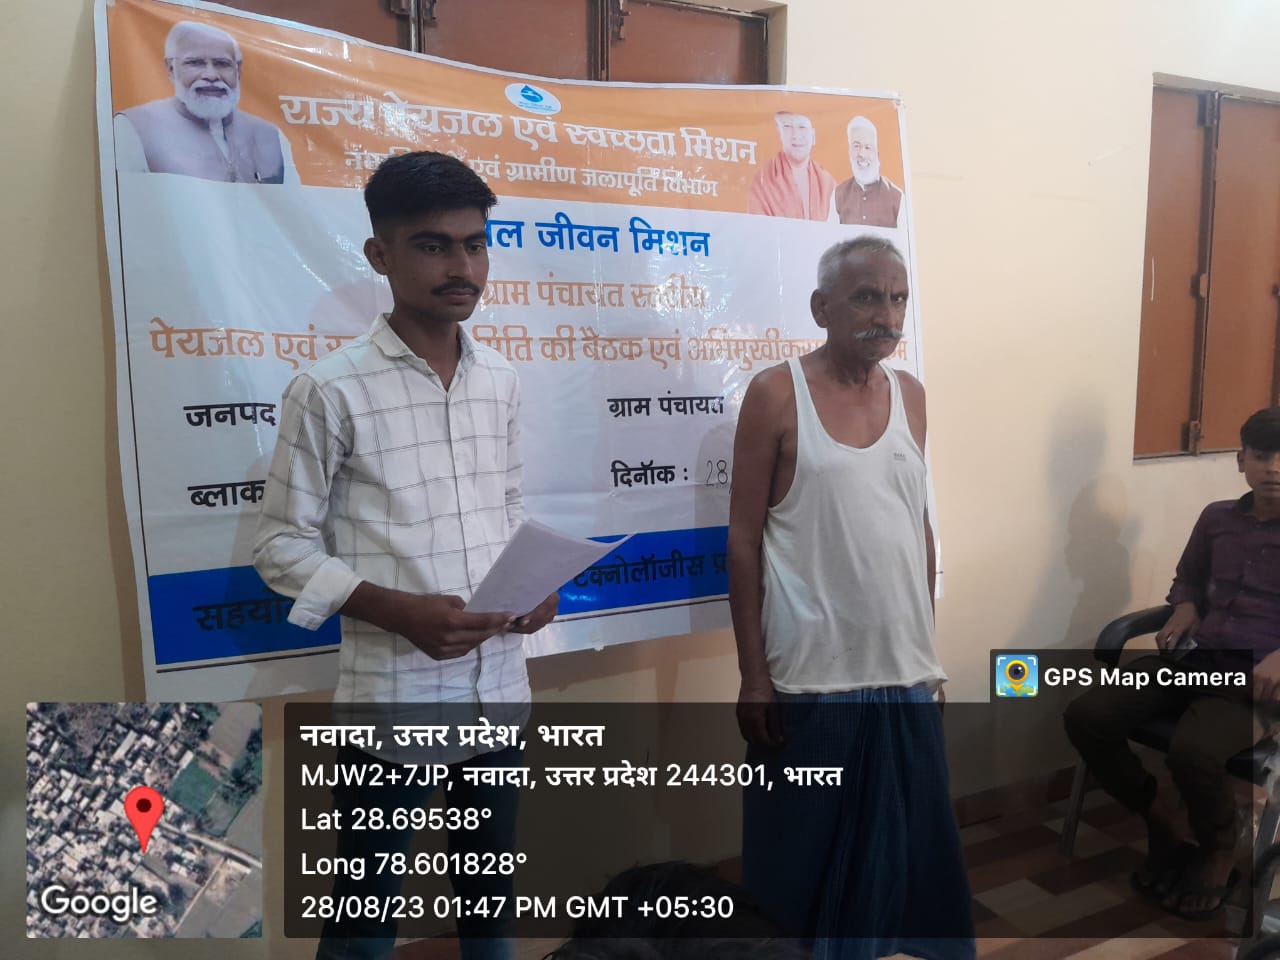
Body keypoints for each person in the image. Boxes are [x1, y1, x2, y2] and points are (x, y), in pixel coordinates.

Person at [254, 151, 558, 960]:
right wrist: (395, 611)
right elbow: (278, 544)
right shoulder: (330, 388)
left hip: (498, 692)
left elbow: (507, 504)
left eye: (475, 244)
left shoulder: (500, 379)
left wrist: (538, 586)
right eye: (433, 246)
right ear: (380, 255)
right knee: (365, 921)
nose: (462, 267)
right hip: (394, 699)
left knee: (490, 906)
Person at [727, 236, 973, 959]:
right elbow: (742, 541)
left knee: (907, 855)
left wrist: (926, 656)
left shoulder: (911, 395)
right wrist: (753, 674)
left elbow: (917, 527)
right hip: (811, 675)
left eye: (898, 299)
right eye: (867, 297)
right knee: (796, 856)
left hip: (903, 672)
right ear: (821, 307)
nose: (887, 316)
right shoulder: (776, 394)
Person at [1064, 407, 1280, 921]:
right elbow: (1188, 579)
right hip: (1196, 658)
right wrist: (1184, 606)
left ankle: (1219, 848)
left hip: (1257, 680)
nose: (1274, 467)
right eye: (1262, 455)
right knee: (1086, 716)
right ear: (1241, 460)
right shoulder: (1216, 518)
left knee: (1192, 751)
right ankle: (1161, 817)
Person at [114, 21, 298, 184]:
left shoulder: (271, 136)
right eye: (195, 63)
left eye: (222, 63)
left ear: (238, 71)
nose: (211, 75)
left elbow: (290, 206)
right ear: (171, 69)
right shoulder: (132, 127)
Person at [747, 112, 836, 221]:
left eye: (802, 127)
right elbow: (757, 227)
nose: (796, 135)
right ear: (779, 133)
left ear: (813, 136)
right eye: (787, 126)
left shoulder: (827, 182)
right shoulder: (763, 181)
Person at [832, 117, 902, 229]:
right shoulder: (838, 194)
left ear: (877, 154)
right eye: (856, 146)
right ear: (849, 152)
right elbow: (830, 234)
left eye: (867, 147)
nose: (862, 154)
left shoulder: (897, 197)